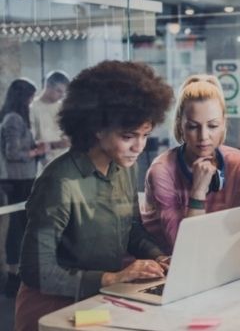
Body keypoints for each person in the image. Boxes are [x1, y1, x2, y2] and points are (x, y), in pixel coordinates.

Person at [15, 61, 174, 331]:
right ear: (97, 129)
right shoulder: (59, 181)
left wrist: (159, 258)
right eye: (128, 136)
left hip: (97, 301)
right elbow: (35, 270)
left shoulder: (125, 167)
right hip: (51, 310)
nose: (139, 147)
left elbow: (132, 229)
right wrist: (111, 278)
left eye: (145, 135)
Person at [142, 75, 240, 268]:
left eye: (213, 126)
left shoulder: (236, 162)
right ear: (180, 126)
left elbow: (234, 227)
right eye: (193, 127)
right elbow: (186, 249)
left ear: (224, 123)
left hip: (213, 258)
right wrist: (198, 192)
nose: (203, 137)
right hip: (166, 267)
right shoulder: (161, 171)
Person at [0, 78, 47, 297]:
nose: (31, 102)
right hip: (17, 179)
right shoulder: (13, 119)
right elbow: (12, 153)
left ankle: (16, 275)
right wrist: (34, 153)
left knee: (21, 227)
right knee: (18, 229)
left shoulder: (15, 118)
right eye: (29, 98)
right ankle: (13, 276)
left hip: (22, 178)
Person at [30, 70, 71, 167]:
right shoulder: (32, 107)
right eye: (59, 91)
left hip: (64, 159)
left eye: (64, 93)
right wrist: (54, 144)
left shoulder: (63, 107)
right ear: (48, 86)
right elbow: (30, 140)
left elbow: (68, 131)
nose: (62, 95)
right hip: (41, 160)